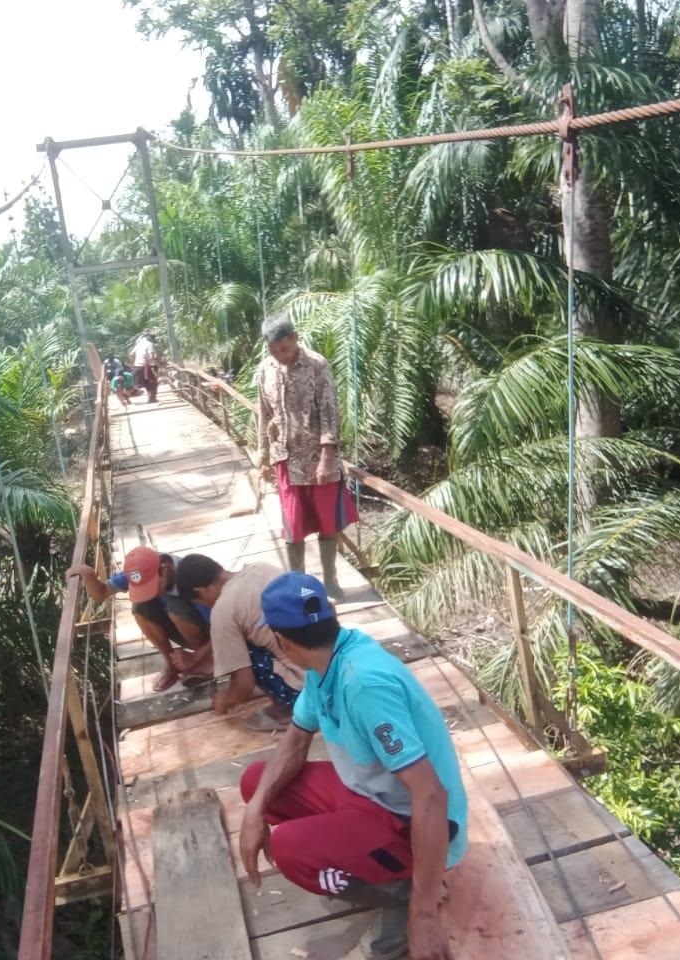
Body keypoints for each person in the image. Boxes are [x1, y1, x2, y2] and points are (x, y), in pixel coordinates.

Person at [238, 571, 467, 960]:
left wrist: (424, 916)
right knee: (256, 782)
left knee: (290, 849)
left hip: (415, 821)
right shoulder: (324, 662)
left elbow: (430, 794)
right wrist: (255, 811)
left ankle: (406, 891)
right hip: (367, 793)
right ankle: (378, 868)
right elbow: (296, 738)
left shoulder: (363, 685)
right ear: (331, 613)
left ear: (282, 641)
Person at [255, 313, 358, 601]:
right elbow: (263, 413)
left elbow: (330, 412)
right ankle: (299, 586)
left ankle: (330, 579)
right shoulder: (265, 370)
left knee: (327, 523)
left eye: (285, 349)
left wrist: (327, 457)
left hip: (318, 459)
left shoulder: (317, 365)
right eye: (275, 352)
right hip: (285, 459)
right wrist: (262, 455)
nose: (281, 356)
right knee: (292, 527)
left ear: (295, 338)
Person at [174, 555, 304, 732]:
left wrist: (226, 699)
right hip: (328, 662)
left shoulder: (222, 611)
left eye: (201, 602)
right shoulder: (261, 566)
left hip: (306, 689)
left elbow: (245, 685)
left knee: (245, 651)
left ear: (202, 591)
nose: (207, 606)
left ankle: (288, 708)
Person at [67, 545, 210, 691]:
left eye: (153, 585)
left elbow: (223, 626)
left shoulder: (191, 577)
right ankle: (172, 665)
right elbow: (101, 593)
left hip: (212, 635)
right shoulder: (139, 572)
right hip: (185, 630)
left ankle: (205, 662)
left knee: (174, 606)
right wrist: (88, 574)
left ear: (165, 569)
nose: (150, 592)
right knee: (140, 607)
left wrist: (197, 657)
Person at [131, 331, 160, 403]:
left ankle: (150, 397)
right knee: (154, 382)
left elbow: (131, 355)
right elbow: (151, 356)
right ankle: (152, 398)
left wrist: (133, 365)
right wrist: (154, 363)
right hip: (145, 366)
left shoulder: (138, 345)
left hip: (137, 366)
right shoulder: (150, 344)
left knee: (147, 382)